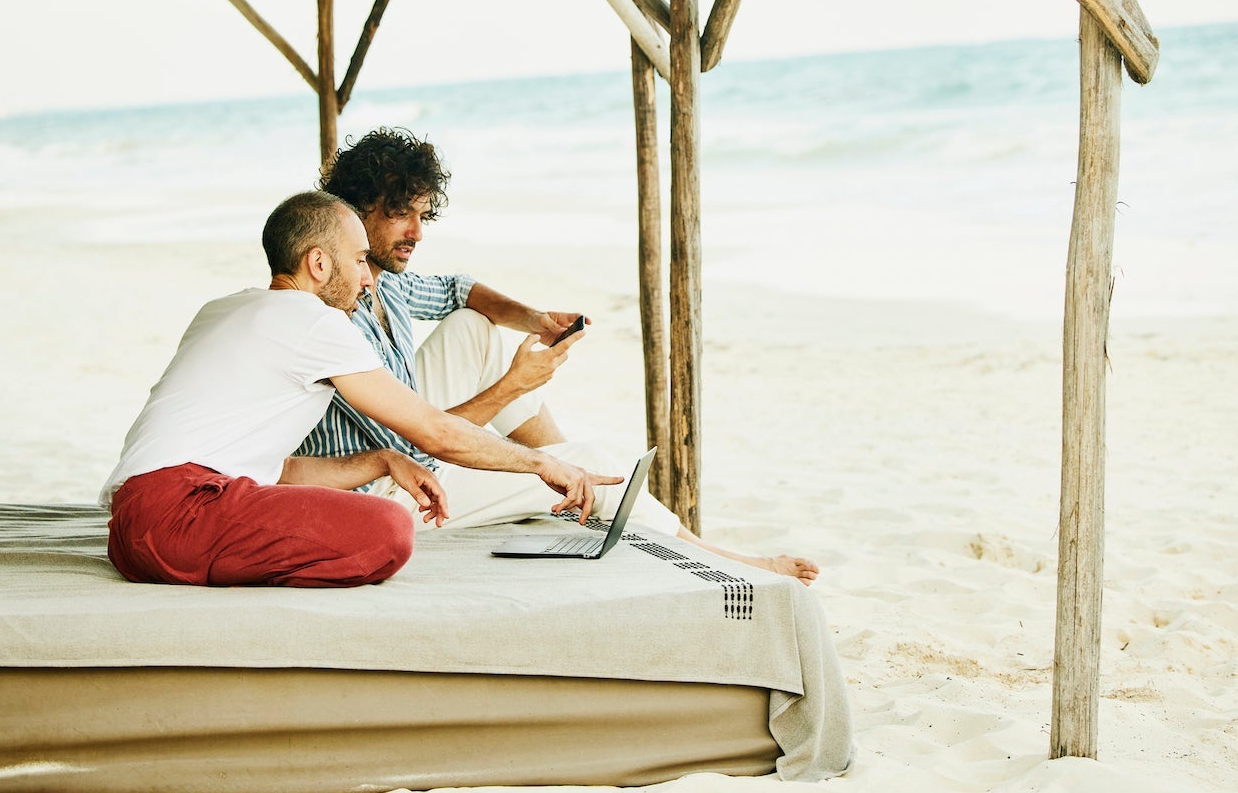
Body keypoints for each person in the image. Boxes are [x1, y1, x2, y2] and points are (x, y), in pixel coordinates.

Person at [298, 127, 820, 584]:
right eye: (398, 215)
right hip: (383, 488)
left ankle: (575, 477)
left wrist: (535, 320)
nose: (416, 232)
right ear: (351, 213)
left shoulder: (382, 283)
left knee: (472, 328)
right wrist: (514, 388)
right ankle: (721, 556)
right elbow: (421, 444)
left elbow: (460, 290)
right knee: (589, 462)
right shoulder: (334, 307)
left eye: (422, 214)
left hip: (406, 449)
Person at [99, 189, 622, 588]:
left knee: (370, 519)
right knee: (389, 529)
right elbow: (436, 430)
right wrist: (541, 463)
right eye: (357, 261)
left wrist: (379, 460)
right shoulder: (311, 320)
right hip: (183, 514)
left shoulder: (225, 309)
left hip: (135, 527)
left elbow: (280, 472)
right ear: (318, 263)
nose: (369, 278)